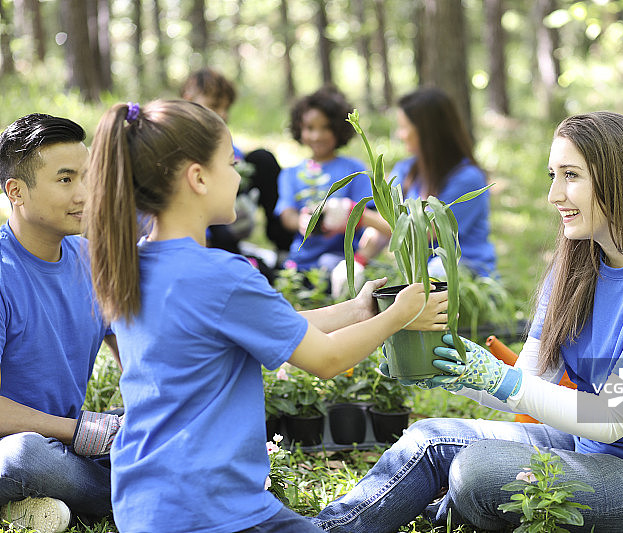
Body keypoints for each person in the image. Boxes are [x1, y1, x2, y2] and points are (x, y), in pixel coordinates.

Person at [313, 111, 623, 532]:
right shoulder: (577, 262)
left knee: (478, 470)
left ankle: (443, 513)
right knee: (427, 439)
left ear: (619, 179)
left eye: (571, 175)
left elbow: (613, 419)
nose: (553, 195)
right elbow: (530, 381)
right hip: (586, 447)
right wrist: (457, 372)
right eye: (553, 175)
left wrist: (501, 378)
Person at [83, 99, 448, 533]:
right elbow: (327, 359)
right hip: (213, 512)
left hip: (145, 504)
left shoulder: (131, 264)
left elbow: (270, 325)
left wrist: (358, 310)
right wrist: (398, 316)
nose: (239, 177)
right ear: (198, 178)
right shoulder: (221, 275)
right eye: (231, 164)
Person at [0, 114, 122, 533]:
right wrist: (79, 430)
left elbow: (135, 355)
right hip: (20, 447)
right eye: (66, 179)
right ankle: (143, 491)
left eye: (87, 177)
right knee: (25, 457)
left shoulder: (92, 259)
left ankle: (37, 503)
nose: (85, 194)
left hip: (68, 442)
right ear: (16, 191)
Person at [275, 86, 388, 295]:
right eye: (309, 128)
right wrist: (301, 221)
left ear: (338, 129)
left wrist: (348, 214)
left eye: (325, 127)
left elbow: (373, 218)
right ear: (299, 129)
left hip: (341, 260)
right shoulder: (290, 174)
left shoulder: (355, 170)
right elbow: (286, 213)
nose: (317, 136)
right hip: (300, 261)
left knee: (329, 268)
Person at [181, 67, 294, 265]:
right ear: (189, 100)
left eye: (226, 108)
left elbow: (238, 162)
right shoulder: (177, 145)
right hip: (202, 235)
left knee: (263, 159)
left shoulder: (224, 142)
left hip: (228, 212)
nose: (222, 114)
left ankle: (284, 250)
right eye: (214, 105)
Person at [388, 87, 496, 279]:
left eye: (404, 127)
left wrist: (360, 215)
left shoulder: (468, 179)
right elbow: (385, 221)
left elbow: (424, 232)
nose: (399, 134)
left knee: (438, 270)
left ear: (426, 131)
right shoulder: (405, 169)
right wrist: (359, 260)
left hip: (466, 276)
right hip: (418, 276)